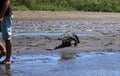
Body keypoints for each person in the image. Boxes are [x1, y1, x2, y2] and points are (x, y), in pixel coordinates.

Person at [0, 0, 13, 64]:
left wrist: (1, 15)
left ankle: (8, 59)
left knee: (7, 37)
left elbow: (6, 1)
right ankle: (3, 50)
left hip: (5, 15)